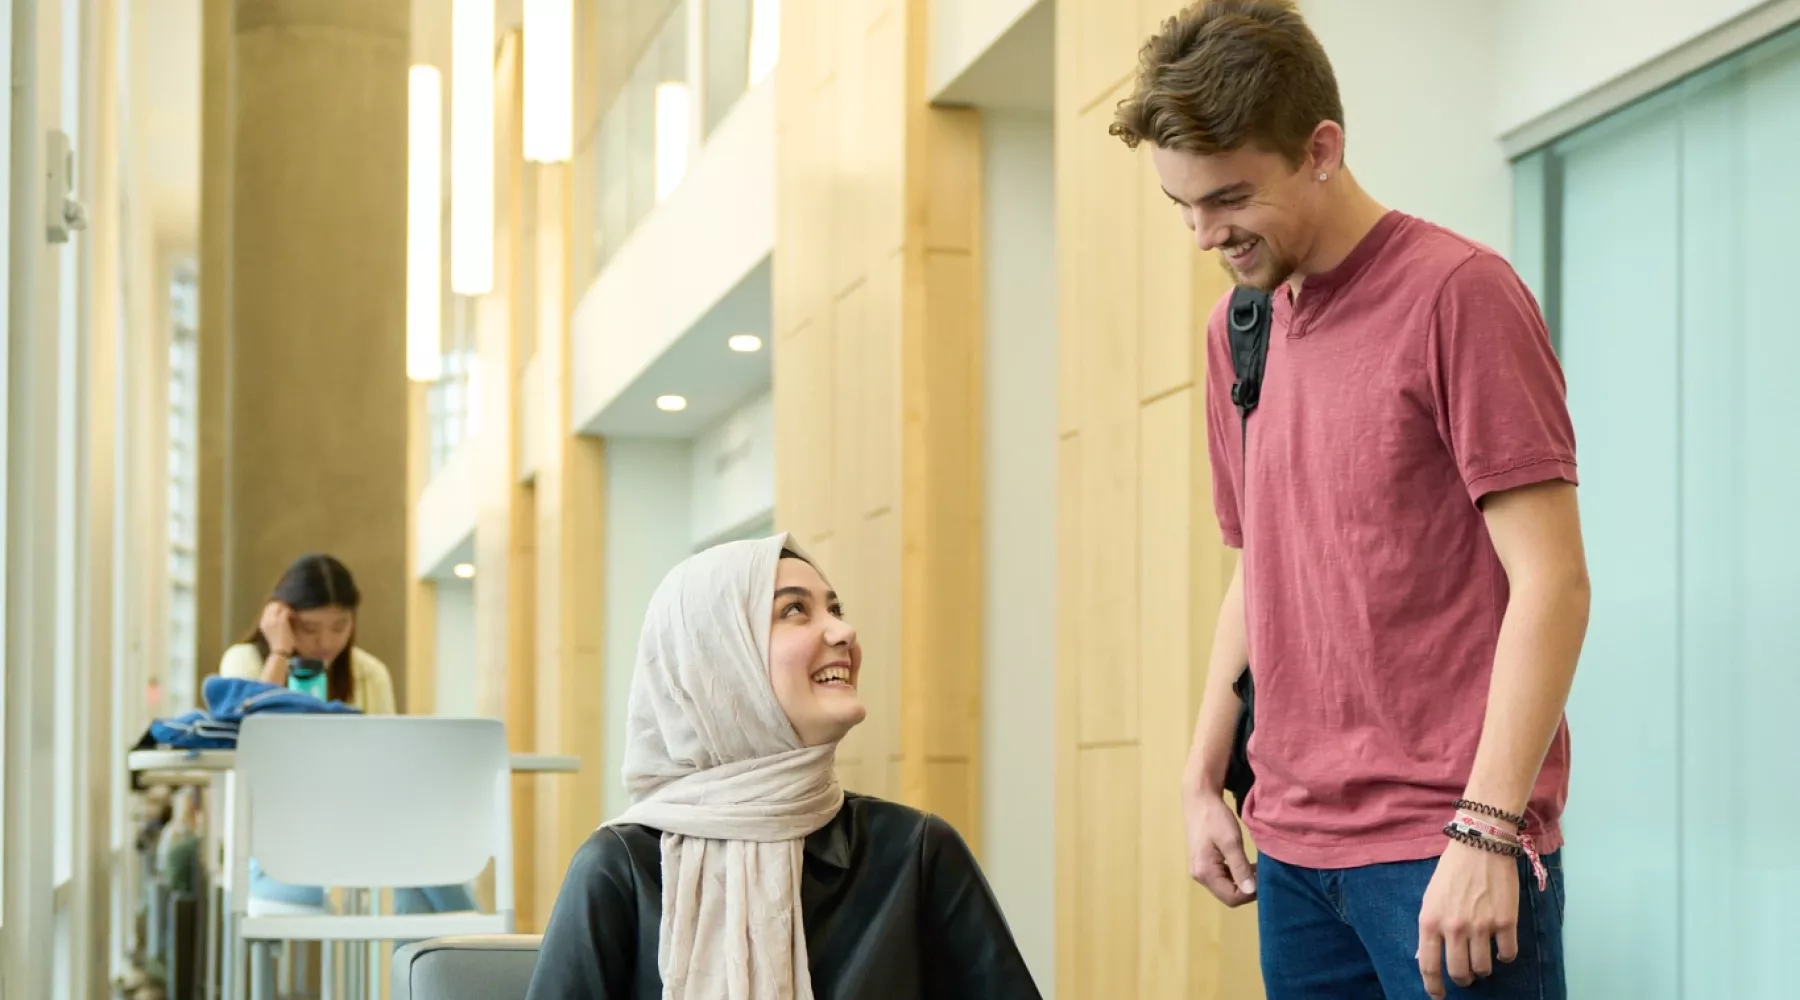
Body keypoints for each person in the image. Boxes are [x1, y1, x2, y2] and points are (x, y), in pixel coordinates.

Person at [1111, 4, 1591, 999]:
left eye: (1229, 198)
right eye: (1182, 205)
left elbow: (1553, 583)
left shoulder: (1459, 294)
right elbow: (1262, 568)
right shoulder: (1238, 329)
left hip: (1443, 845)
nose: (1205, 234)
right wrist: (1201, 775)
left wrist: (1486, 830)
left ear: (1321, 149)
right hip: (1293, 858)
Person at [526, 535, 1041, 1000]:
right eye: (794, 610)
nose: (843, 630)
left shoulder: (914, 852)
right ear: (719, 659)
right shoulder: (622, 868)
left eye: (835, 609)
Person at [220, 553, 475, 917]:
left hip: (358, 831)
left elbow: (388, 765)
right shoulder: (245, 661)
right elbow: (250, 739)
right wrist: (279, 652)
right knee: (424, 865)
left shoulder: (369, 673)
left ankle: (465, 942)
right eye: (310, 628)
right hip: (276, 845)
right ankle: (482, 938)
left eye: (339, 627)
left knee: (421, 865)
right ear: (281, 619)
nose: (325, 641)